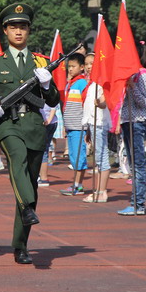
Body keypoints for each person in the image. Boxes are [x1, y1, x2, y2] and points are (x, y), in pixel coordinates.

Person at [0, 2, 60, 264]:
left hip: (34, 124)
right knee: (17, 158)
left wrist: (46, 83)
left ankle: (21, 244)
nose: (18, 32)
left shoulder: (40, 62)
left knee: (30, 182)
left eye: (23, 27)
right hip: (7, 124)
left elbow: (54, 100)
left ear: (29, 31)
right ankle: (27, 208)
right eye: (13, 27)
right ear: (5, 31)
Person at [117, 43, 146, 216]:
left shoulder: (143, 75)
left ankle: (138, 203)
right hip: (127, 120)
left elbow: (145, 103)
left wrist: (131, 86)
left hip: (137, 122)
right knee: (132, 163)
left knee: (138, 163)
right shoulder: (129, 74)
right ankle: (135, 201)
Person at [82, 52, 112, 203]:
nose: (88, 67)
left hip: (100, 122)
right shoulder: (92, 83)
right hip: (93, 123)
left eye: (91, 64)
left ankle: (102, 191)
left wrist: (99, 102)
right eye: (86, 64)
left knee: (102, 158)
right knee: (98, 158)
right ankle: (98, 190)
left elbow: (106, 100)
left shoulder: (102, 82)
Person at [59, 53, 89, 196]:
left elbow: (85, 104)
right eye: (68, 66)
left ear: (81, 67)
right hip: (71, 126)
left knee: (78, 156)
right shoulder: (70, 84)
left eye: (73, 66)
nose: (70, 69)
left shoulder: (82, 83)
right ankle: (76, 184)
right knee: (73, 156)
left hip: (79, 126)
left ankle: (78, 185)